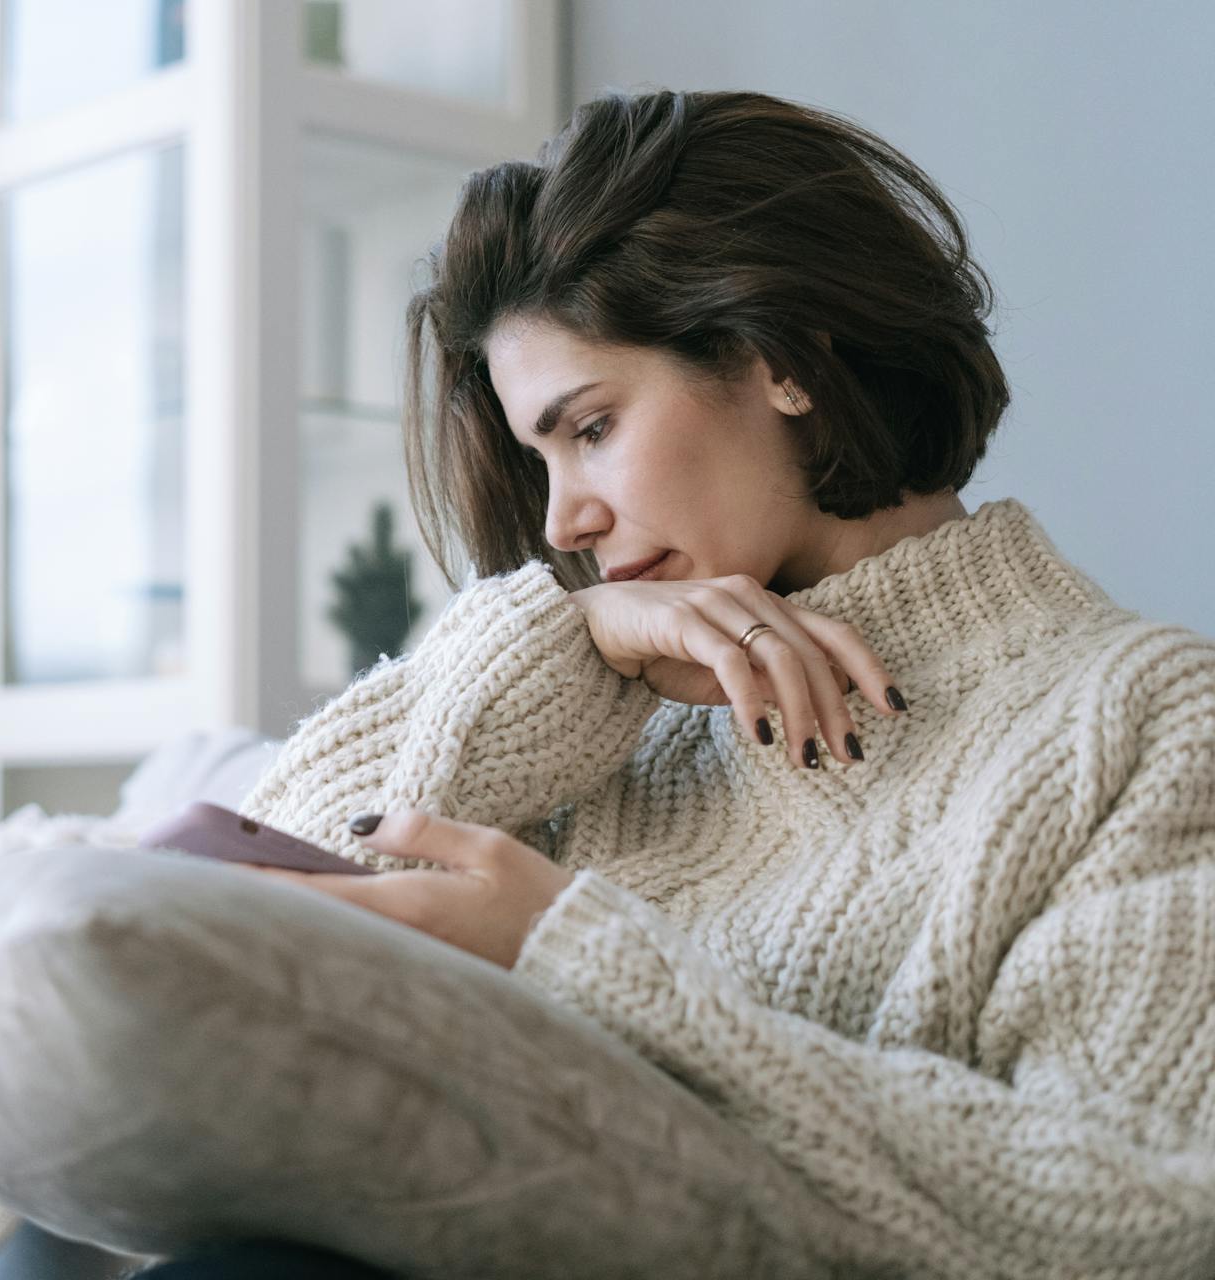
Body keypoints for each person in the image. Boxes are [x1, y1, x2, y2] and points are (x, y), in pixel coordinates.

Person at [155, 89, 1215, 1279]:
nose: (564, 516)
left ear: (778, 360)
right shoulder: (607, 722)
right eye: (537, 456)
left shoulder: (1143, 716)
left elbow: (1145, 1219)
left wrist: (583, 966)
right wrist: (563, 638)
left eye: (592, 427)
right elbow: (202, 943)